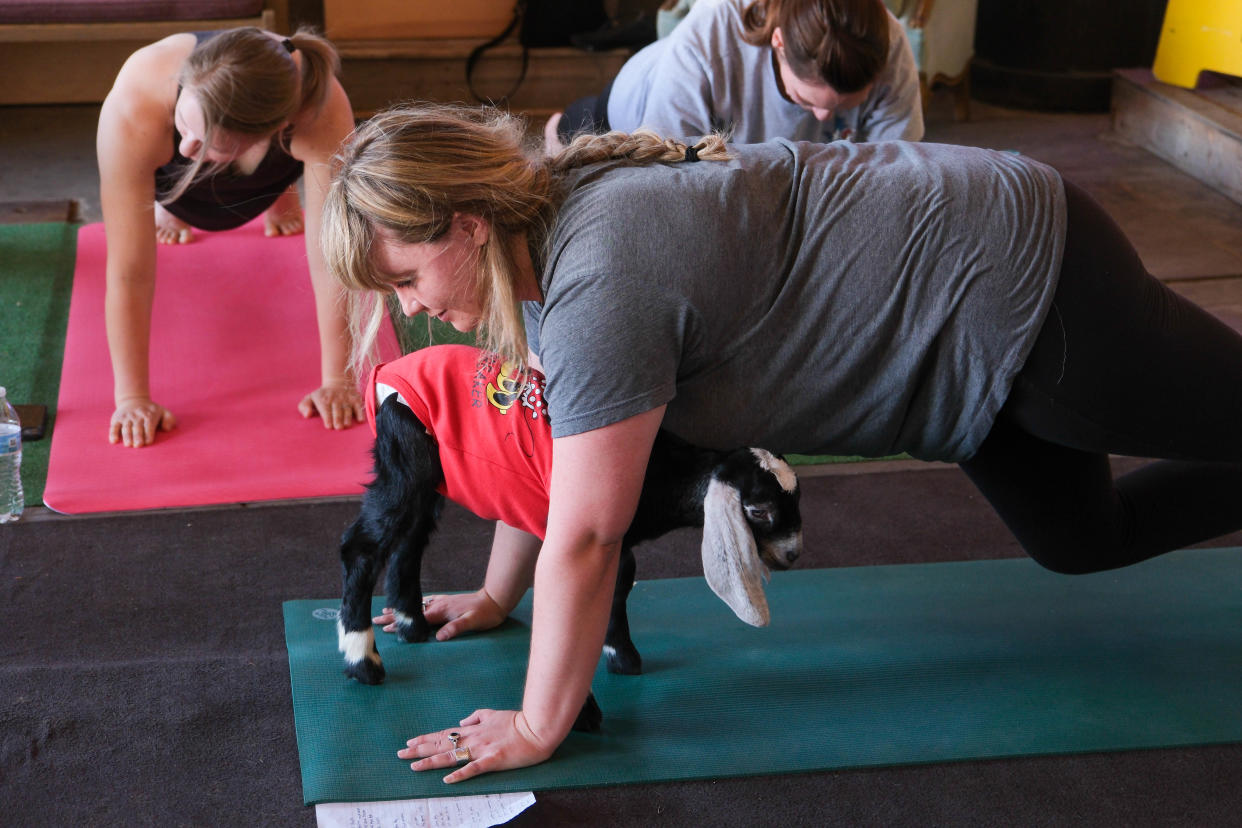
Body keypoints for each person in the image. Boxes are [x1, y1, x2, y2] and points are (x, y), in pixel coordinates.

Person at [320, 103, 1242, 782]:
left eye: (404, 277)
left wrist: (536, 722)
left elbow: (592, 533)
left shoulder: (599, 283)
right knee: (1081, 540)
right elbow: (559, 460)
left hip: (1026, 284)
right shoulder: (542, 236)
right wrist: (494, 591)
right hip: (963, 339)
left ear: (469, 226)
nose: (411, 309)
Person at [97, 26, 364, 447]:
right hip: (168, 173)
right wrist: (131, 397)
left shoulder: (320, 107)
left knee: (303, 188)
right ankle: (171, 201)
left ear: (273, 131)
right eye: (185, 125)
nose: (188, 147)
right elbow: (129, 272)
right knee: (176, 164)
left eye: (206, 144)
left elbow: (332, 256)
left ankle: (277, 191)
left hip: (271, 155)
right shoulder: (137, 102)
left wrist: (338, 379)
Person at [545, 0, 923, 153]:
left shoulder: (890, 48)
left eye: (846, 107)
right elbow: (669, 177)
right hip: (634, 103)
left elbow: (896, 169)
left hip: (748, 136)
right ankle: (558, 128)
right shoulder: (710, 34)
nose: (824, 118)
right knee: (575, 144)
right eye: (808, 101)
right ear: (778, 43)